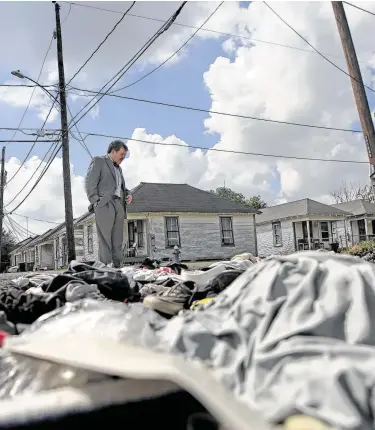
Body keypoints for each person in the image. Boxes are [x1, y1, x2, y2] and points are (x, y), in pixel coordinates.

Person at [85, 140, 133, 268]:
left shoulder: (119, 169)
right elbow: (90, 183)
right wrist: (96, 202)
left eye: (125, 154)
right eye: (122, 154)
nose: (123, 157)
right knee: (105, 239)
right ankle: (105, 268)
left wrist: (128, 194)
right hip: (104, 204)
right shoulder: (99, 161)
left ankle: (118, 267)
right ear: (113, 151)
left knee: (118, 239)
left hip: (119, 204)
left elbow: (121, 187)